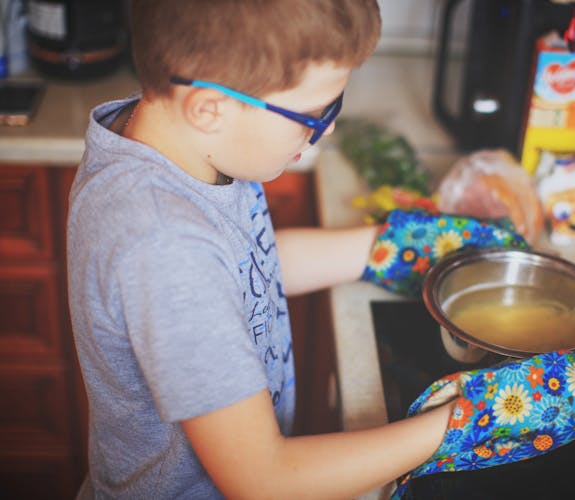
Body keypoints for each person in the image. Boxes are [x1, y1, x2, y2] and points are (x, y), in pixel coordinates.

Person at [67, 1, 458, 498]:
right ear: (209, 107)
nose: (327, 128)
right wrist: (461, 425)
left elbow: (243, 270)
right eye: (313, 113)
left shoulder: (184, 144)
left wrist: (388, 249)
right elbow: (263, 479)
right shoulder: (163, 243)